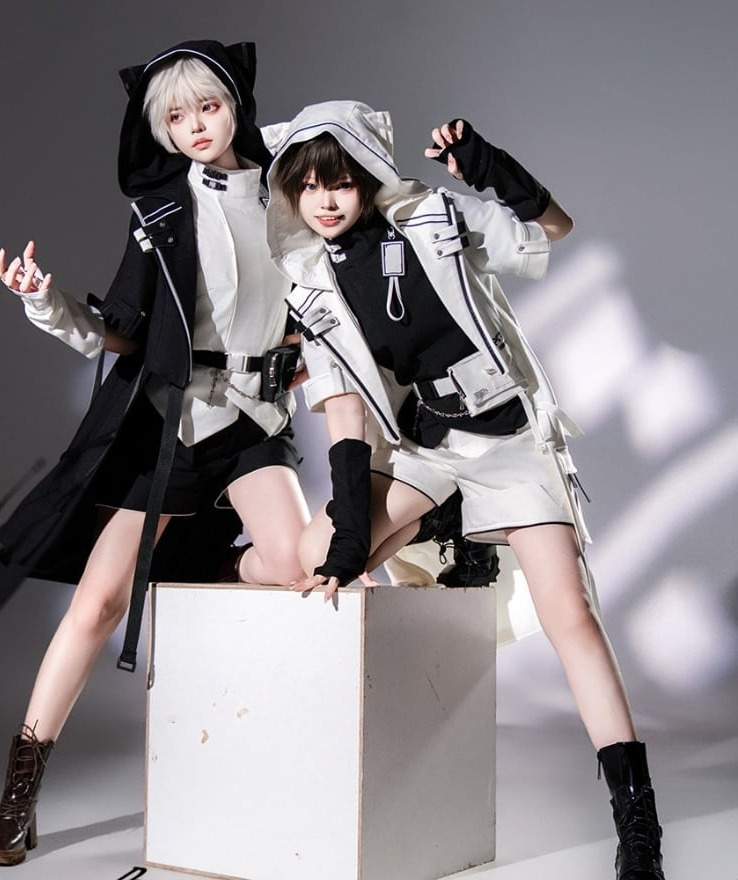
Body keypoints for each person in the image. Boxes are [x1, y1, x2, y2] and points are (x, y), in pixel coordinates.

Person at [265, 101, 666, 880]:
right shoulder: (311, 283)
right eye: (308, 187)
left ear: (366, 176)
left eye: (339, 182)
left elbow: (552, 231)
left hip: (510, 439)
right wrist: (350, 541)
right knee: (317, 554)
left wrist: (491, 170)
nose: (324, 201)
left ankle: (638, 825)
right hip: (429, 445)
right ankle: (445, 526)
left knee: (572, 618)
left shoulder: (431, 215)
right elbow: (345, 415)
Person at [0, 41, 310, 866]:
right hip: (171, 425)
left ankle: (210, 566)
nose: (195, 127)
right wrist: (47, 303)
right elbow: (119, 330)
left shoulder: (292, 194)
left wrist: (304, 352)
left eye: (209, 107)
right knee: (97, 606)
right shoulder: (162, 210)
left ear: (236, 106)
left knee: (299, 564)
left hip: (256, 420)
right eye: (176, 116)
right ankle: (20, 791)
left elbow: (320, 294)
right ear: (160, 128)